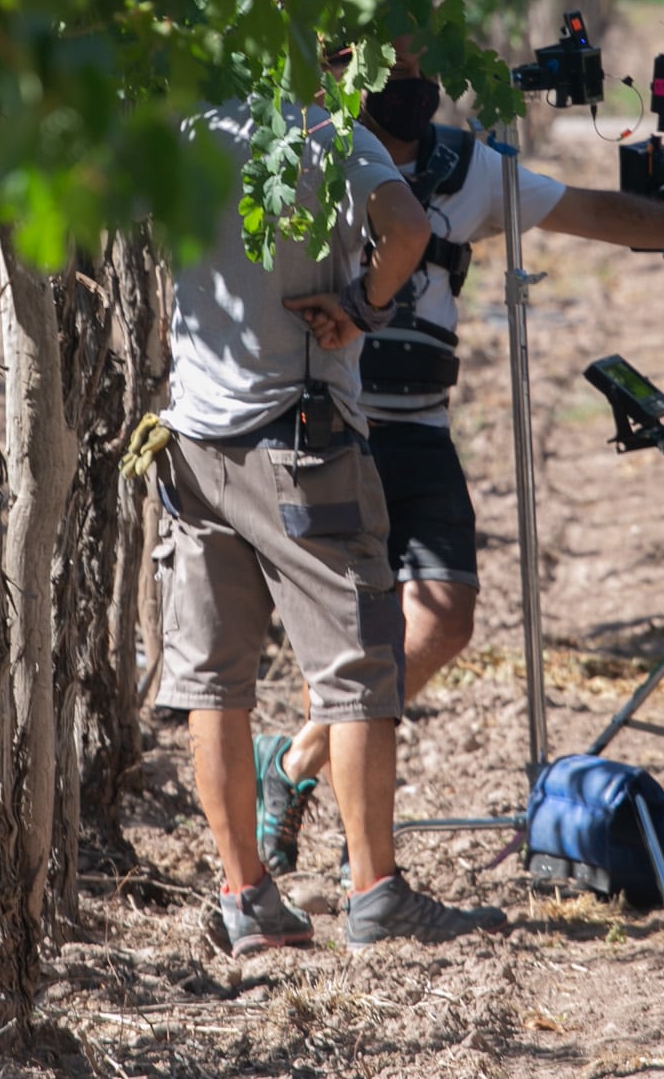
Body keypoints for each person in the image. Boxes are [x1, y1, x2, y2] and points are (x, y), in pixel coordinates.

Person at [257, 42, 664, 877]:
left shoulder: (467, 170)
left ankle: (288, 765)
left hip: (420, 425)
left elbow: (595, 214)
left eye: (419, 69)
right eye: (390, 72)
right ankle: (364, 864)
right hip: (331, 421)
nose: (410, 86)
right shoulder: (309, 154)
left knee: (447, 619)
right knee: (357, 634)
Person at [152, 83, 505, 953]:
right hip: (300, 439)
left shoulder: (181, 121)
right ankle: (374, 893)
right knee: (357, 671)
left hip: (194, 439)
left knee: (214, 680)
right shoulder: (325, 130)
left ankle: (244, 897)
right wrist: (363, 306)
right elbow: (410, 230)